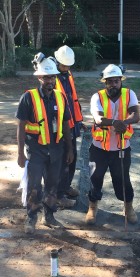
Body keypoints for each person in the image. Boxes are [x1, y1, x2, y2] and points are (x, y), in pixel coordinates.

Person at [16, 53, 74, 234]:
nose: (50, 80)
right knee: (34, 185)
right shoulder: (28, 98)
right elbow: (21, 127)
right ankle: (32, 217)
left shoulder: (60, 97)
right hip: (36, 149)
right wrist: (19, 153)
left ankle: (49, 216)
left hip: (56, 149)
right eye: (47, 77)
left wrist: (70, 149)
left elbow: (65, 124)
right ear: (40, 77)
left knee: (52, 183)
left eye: (53, 77)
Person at [86, 64, 140, 225]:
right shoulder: (97, 97)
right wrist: (116, 122)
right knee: (95, 178)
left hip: (121, 147)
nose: (113, 84)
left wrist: (124, 122)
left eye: (116, 81)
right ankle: (92, 207)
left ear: (120, 81)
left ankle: (128, 207)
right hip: (99, 148)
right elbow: (98, 119)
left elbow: (136, 115)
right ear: (105, 82)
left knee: (122, 179)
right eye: (109, 81)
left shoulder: (130, 94)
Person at [53, 45, 86, 207]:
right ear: (58, 62)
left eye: (68, 65)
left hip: (72, 124)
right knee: (64, 160)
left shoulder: (67, 75)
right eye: (64, 65)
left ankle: (65, 187)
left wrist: (79, 122)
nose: (66, 68)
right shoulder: (52, 78)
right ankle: (59, 195)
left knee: (72, 159)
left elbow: (73, 100)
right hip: (60, 128)